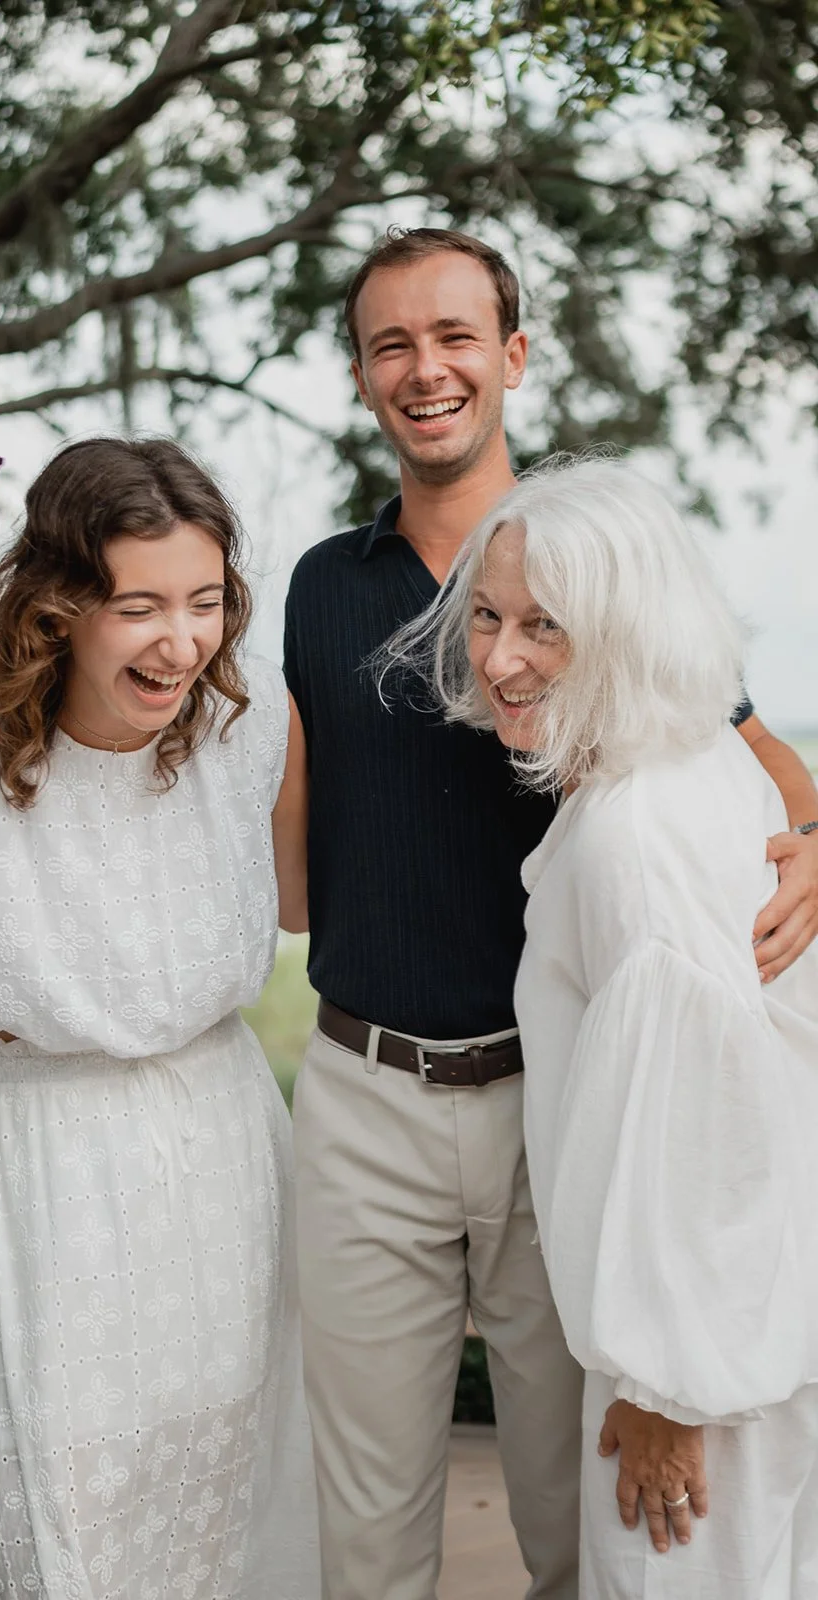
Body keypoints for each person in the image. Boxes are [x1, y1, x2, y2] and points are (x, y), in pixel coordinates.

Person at [282, 227, 818, 1600]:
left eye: (455, 335)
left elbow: (755, 765)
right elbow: (283, 828)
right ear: (360, 376)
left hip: (556, 1107)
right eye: (390, 342)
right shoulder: (323, 589)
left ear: (512, 356)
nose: (426, 367)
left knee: (583, 1515)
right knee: (368, 1526)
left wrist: (816, 836)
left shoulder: (597, 572)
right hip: (366, 1096)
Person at [398, 454, 818, 1597]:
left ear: (628, 629)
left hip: (700, 1371)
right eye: (486, 615)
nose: (499, 658)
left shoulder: (637, 828)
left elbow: (708, 1134)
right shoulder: (688, 764)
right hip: (739, 1341)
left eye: (548, 626)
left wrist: (660, 1395)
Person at [0, 436, 319, 1600]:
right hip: (43, 1149)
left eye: (206, 602)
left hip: (220, 1127)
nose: (183, 642)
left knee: (234, 1466)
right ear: (56, 607)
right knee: (73, 1503)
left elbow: (309, 894)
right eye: (139, 606)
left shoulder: (253, 726)